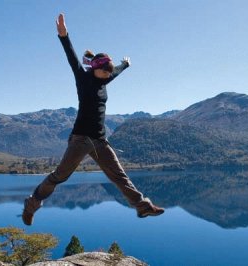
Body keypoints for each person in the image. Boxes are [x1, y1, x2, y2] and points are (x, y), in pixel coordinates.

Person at [22, 13, 164, 226]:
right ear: (96, 68)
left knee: (119, 176)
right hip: (80, 140)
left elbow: (115, 71)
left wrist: (125, 64)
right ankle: (31, 205)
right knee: (59, 176)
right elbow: (71, 56)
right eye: (105, 73)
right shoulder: (83, 77)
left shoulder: (105, 78)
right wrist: (63, 35)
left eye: (109, 74)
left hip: (100, 141)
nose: (108, 77)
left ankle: (143, 207)